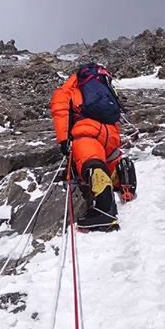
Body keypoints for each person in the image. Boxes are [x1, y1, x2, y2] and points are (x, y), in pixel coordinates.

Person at [50, 62, 124, 232]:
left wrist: (63, 140)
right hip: (111, 134)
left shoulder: (68, 90)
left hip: (87, 132)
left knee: (92, 164)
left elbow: (60, 110)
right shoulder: (104, 87)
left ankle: (104, 212)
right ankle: (120, 177)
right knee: (107, 161)